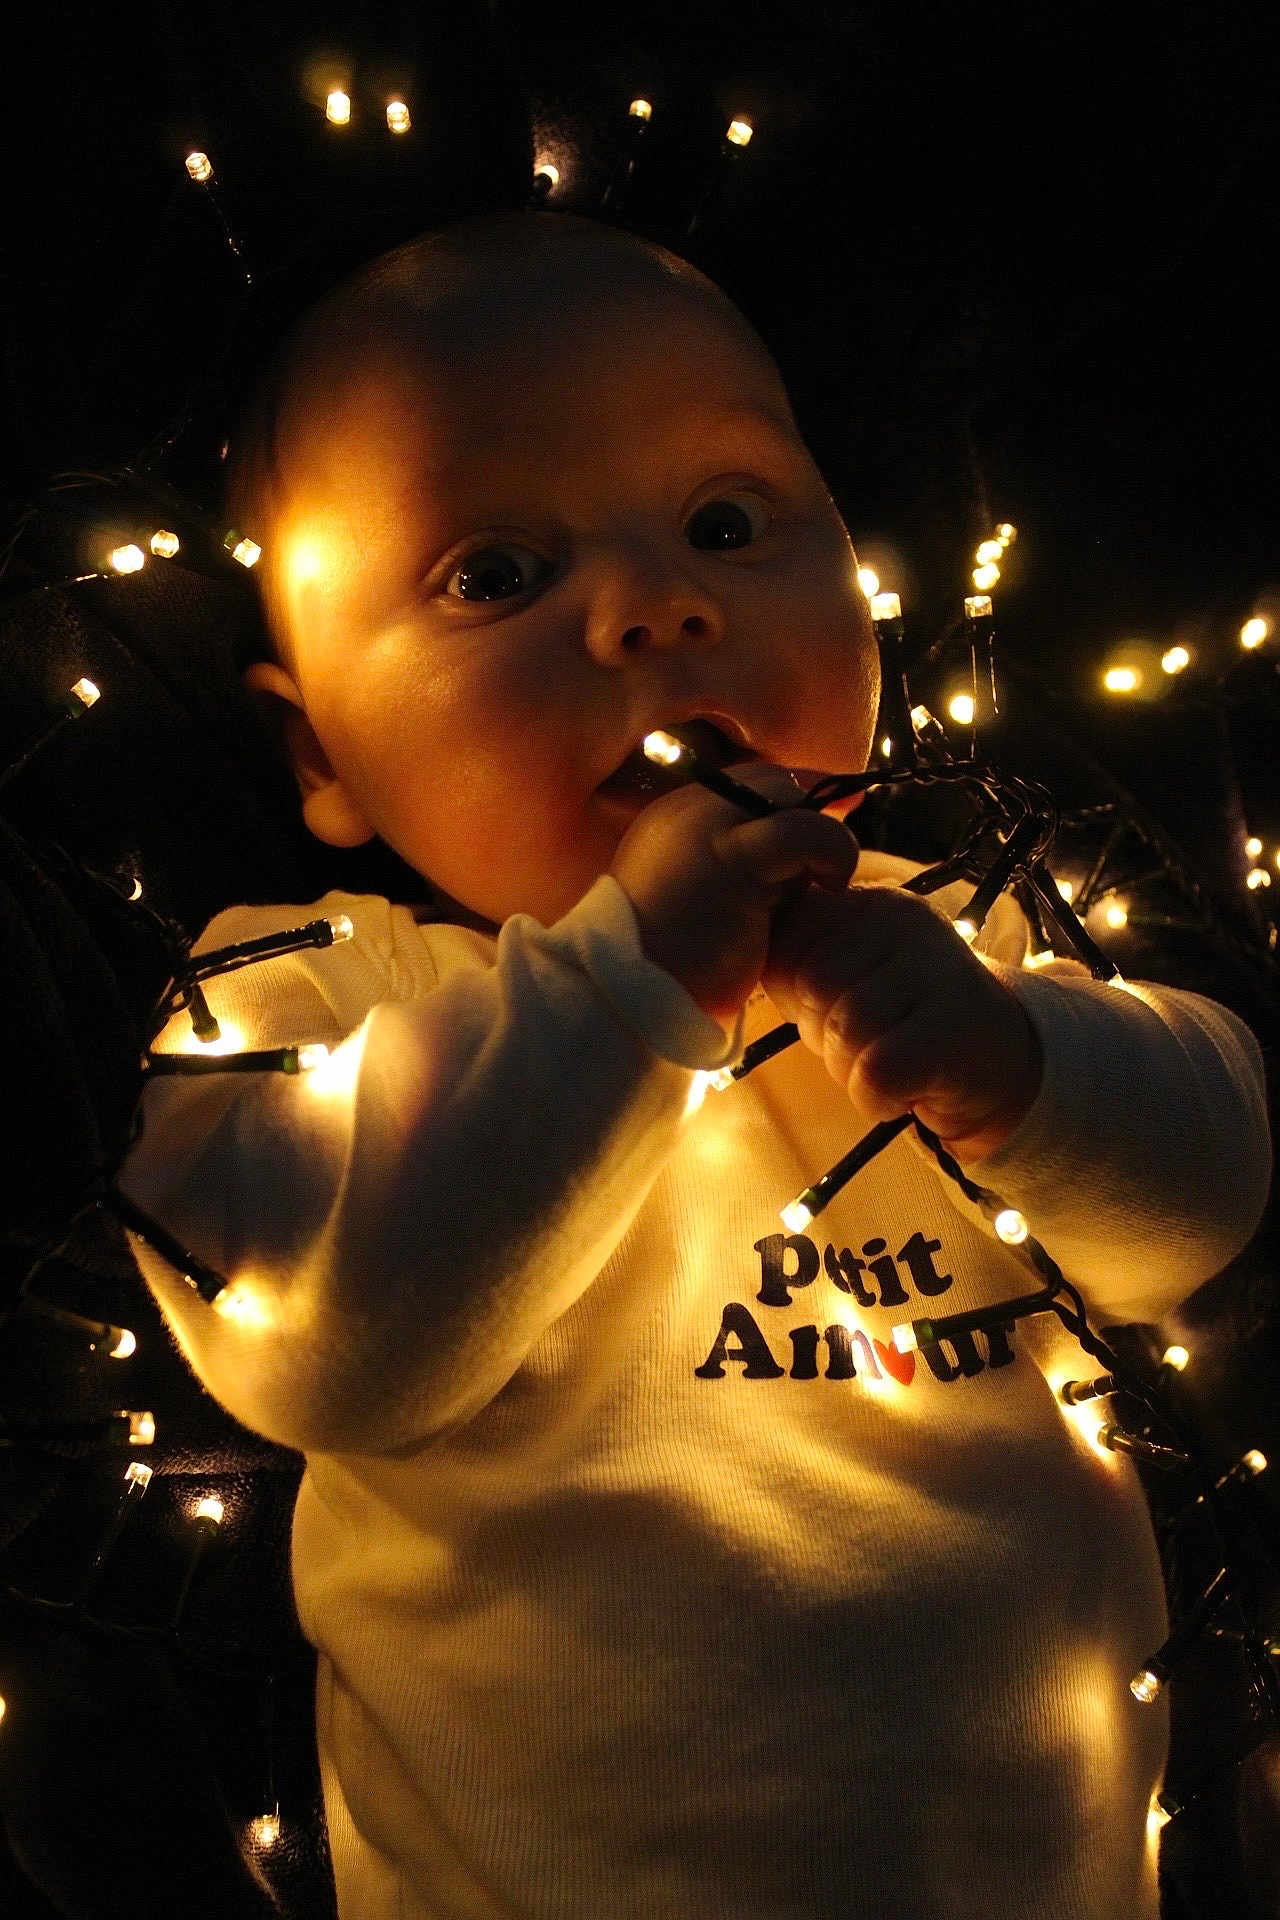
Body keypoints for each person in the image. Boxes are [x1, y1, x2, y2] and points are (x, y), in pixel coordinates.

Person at [119, 209, 1272, 1919]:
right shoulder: (315, 995)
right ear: (320, 749)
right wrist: (633, 980)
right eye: (493, 573)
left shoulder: (949, 933)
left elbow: (1210, 1190)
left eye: (726, 525)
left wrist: (1016, 1061)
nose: (658, 607)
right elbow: (339, 1330)